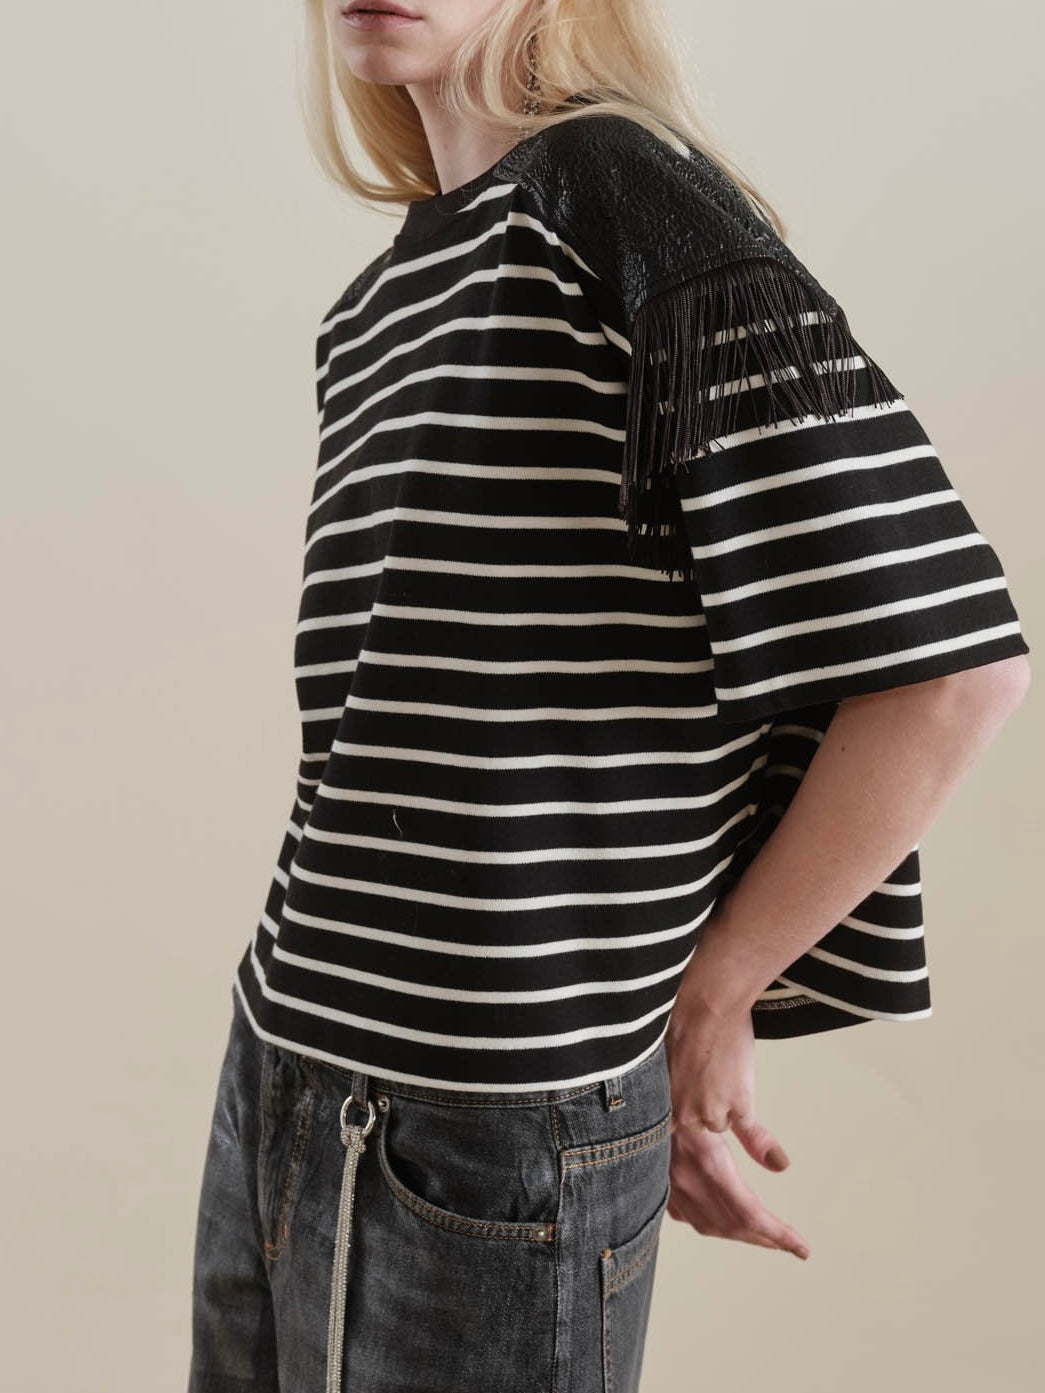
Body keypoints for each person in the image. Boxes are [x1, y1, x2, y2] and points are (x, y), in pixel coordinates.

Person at [186, 3, 1031, 1391]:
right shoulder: (377, 309)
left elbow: (949, 666)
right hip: (280, 1066)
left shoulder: (616, 194)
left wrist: (711, 995)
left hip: (491, 1127)